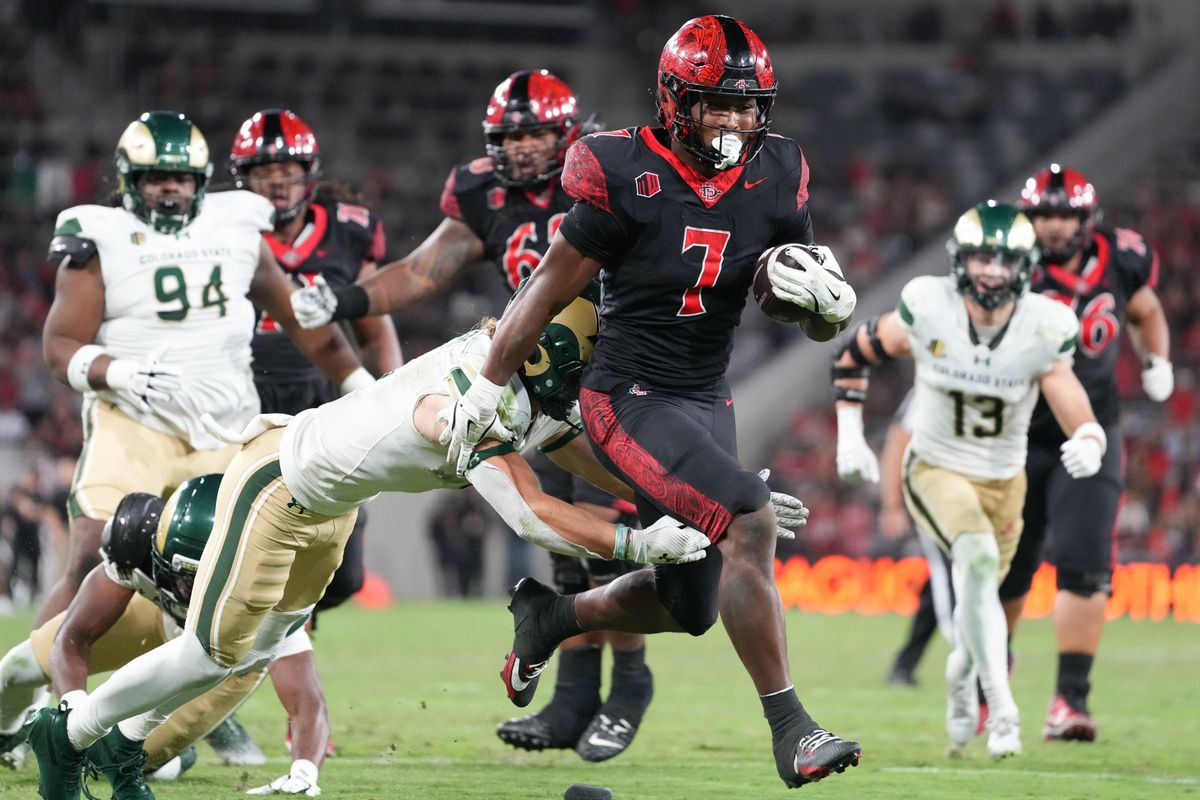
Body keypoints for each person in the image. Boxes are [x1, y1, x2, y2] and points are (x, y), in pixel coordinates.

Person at [22, 295, 740, 800]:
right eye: (584, 372)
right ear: (552, 359)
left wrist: (700, 488)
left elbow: (578, 452)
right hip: (277, 482)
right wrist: (638, 539)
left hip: (331, 509)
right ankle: (71, 730)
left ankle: (120, 752)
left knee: (262, 648)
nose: (590, 389)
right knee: (214, 652)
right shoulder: (463, 402)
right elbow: (530, 513)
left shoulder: (514, 384)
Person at [437, 15, 860, 788]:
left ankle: (553, 618)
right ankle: (793, 728)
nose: (734, 121)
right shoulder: (622, 166)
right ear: (675, 100)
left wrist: (816, 308)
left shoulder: (779, 171)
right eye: (716, 104)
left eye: (746, 105)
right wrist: (487, 387)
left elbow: (776, 285)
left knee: (691, 602)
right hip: (626, 394)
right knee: (748, 520)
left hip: (706, 396)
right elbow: (543, 290)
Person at [288, 71, 655, 760]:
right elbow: (424, 271)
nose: (521, 147)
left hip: (620, 361)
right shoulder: (483, 192)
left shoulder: (601, 169)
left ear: (566, 130)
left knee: (610, 524)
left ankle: (630, 683)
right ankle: (575, 695)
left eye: (536, 132)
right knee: (565, 546)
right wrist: (347, 301)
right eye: (511, 135)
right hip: (546, 374)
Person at [36, 110, 369, 632]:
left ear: (200, 180)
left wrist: (357, 383)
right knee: (92, 549)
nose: (169, 189)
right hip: (133, 421)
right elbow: (59, 348)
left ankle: (199, 706)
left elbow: (298, 320)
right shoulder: (100, 239)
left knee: (222, 574)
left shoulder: (236, 227)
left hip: (225, 424)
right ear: (130, 181)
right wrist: (117, 373)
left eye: (181, 177)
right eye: (155, 178)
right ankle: (34, 685)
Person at [833, 201, 1107, 759]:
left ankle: (962, 672)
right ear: (961, 260)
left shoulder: (1044, 323)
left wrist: (1090, 438)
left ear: (1026, 266)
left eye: (1004, 261)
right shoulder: (928, 305)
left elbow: (1070, 396)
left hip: (1004, 480)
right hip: (935, 467)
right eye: (982, 257)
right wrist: (848, 434)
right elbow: (851, 354)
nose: (991, 271)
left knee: (979, 595)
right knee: (978, 561)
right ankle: (1003, 709)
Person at [230, 107, 404, 759]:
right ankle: (271, 709)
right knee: (239, 564)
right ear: (242, 178)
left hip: (329, 401)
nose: (277, 183)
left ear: (310, 175)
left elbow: (373, 315)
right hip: (242, 403)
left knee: (339, 574)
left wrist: (391, 394)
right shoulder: (222, 230)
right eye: (264, 171)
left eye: (288, 170)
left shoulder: (350, 230)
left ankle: (278, 687)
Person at [0, 476, 330, 797]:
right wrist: (73, 708)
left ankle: (178, 756)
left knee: (108, 760)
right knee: (17, 666)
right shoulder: (137, 543)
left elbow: (306, 700)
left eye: (210, 578)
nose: (195, 592)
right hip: (153, 615)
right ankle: (6, 736)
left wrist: (304, 770)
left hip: (220, 661)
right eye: (189, 577)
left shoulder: (268, 594)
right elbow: (74, 636)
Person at [999, 165, 1173, 742]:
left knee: (1085, 565)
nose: (1051, 226)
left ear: (1085, 217)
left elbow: (1146, 310)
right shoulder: (1008, 262)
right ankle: (991, 671)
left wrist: (1158, 361)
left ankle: (1069, 701)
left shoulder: (1121, 257)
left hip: (1093, 429)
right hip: (1018, 430)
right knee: (1008, 567)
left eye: (1062, 214)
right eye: (1043, 215)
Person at [879, 393, 956, 688]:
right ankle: (972, 658)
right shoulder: (934, 381)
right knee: (949, 573)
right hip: (936, 497)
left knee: (941, 582)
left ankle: (905, 664)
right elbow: (900, 438)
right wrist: (891, 504)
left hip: (981, 496)